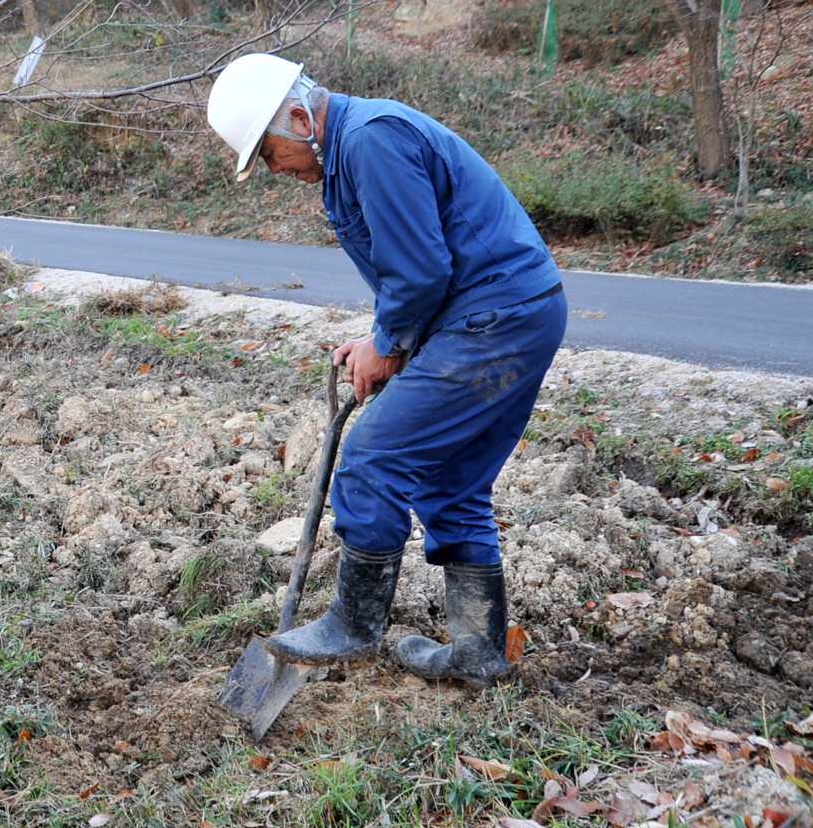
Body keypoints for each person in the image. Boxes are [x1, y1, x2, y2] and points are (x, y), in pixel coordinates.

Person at [206, 52, 566, 687]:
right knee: (452, 482)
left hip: (495, 319)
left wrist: (391, 342)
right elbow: (416, 267)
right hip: (510, 314)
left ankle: (354, 623)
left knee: (373, 455)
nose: (274, 169)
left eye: (267, 153)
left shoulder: (372, 140)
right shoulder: (350, 151)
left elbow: (422, 271)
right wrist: (382, 337)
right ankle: (479, 653)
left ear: (299, 119)